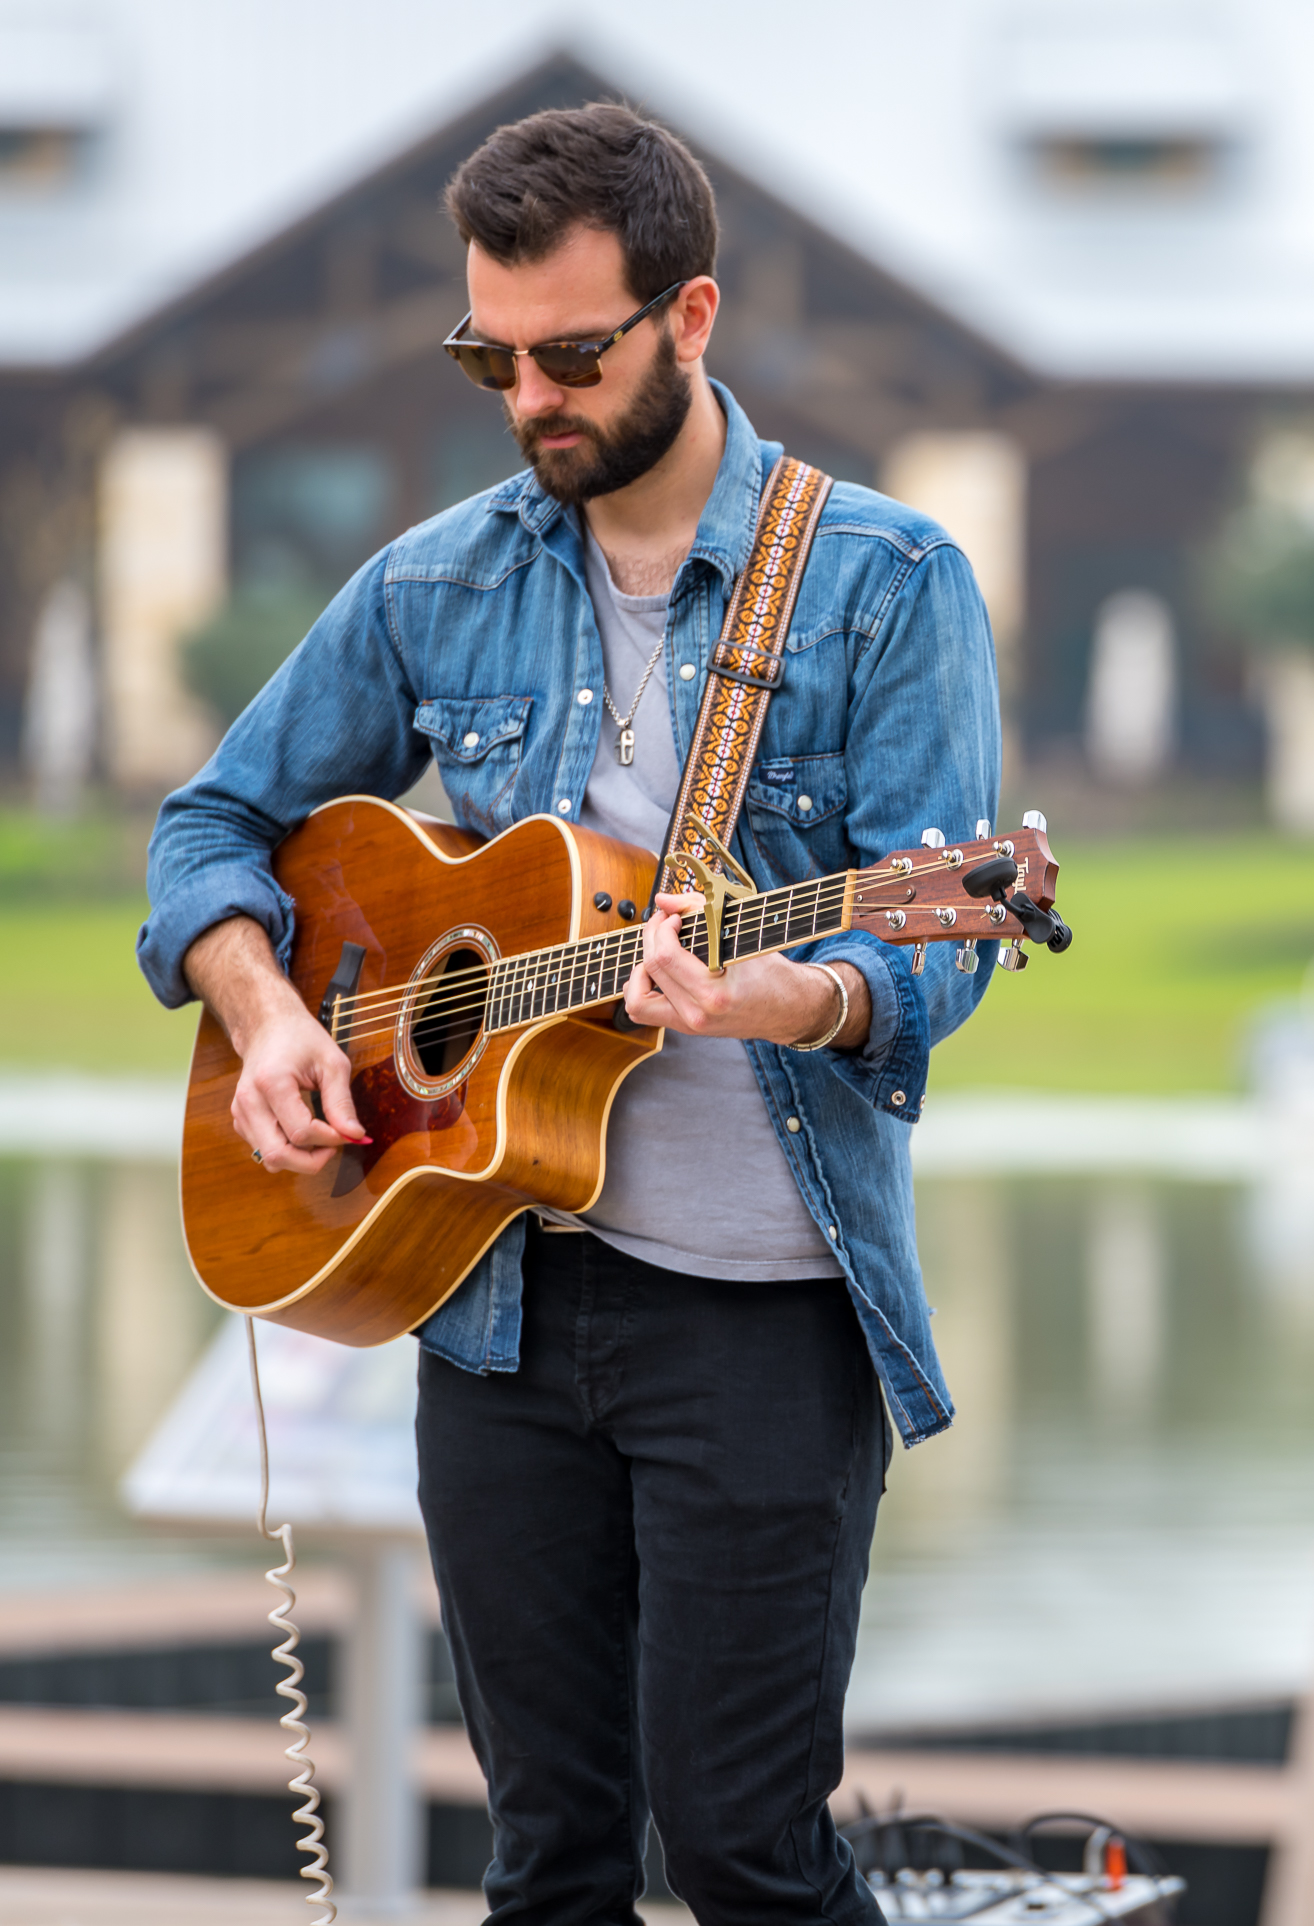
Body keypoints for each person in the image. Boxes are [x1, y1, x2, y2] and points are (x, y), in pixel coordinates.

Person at [135, 104, 1001, 1925]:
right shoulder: (439, 578)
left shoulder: (880, 583)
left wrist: (793, 992)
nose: (528, 397)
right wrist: (272, 1010)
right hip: (500, 1302)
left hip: (763, 1316)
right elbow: (209, 824)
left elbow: (943, 931)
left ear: (689, 318)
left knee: (747, 1851)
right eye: (490, 355)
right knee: (546, 1864)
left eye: (570, 355)